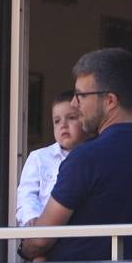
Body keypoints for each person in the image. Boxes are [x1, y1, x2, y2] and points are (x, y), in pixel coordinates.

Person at [20, 48, 132, 263]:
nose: (76, 104)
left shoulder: (86, 157)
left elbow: (41, 239)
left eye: (81, 95)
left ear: (110, 101)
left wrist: (25, 248)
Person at [16, 91, 86, 227]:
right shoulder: (39, 158)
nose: (63, 125)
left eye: (71, 118)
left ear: (84, 120)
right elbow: (26, 194)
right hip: (44, 231)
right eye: (57, 121)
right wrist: (32, 217)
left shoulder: (92, 156)